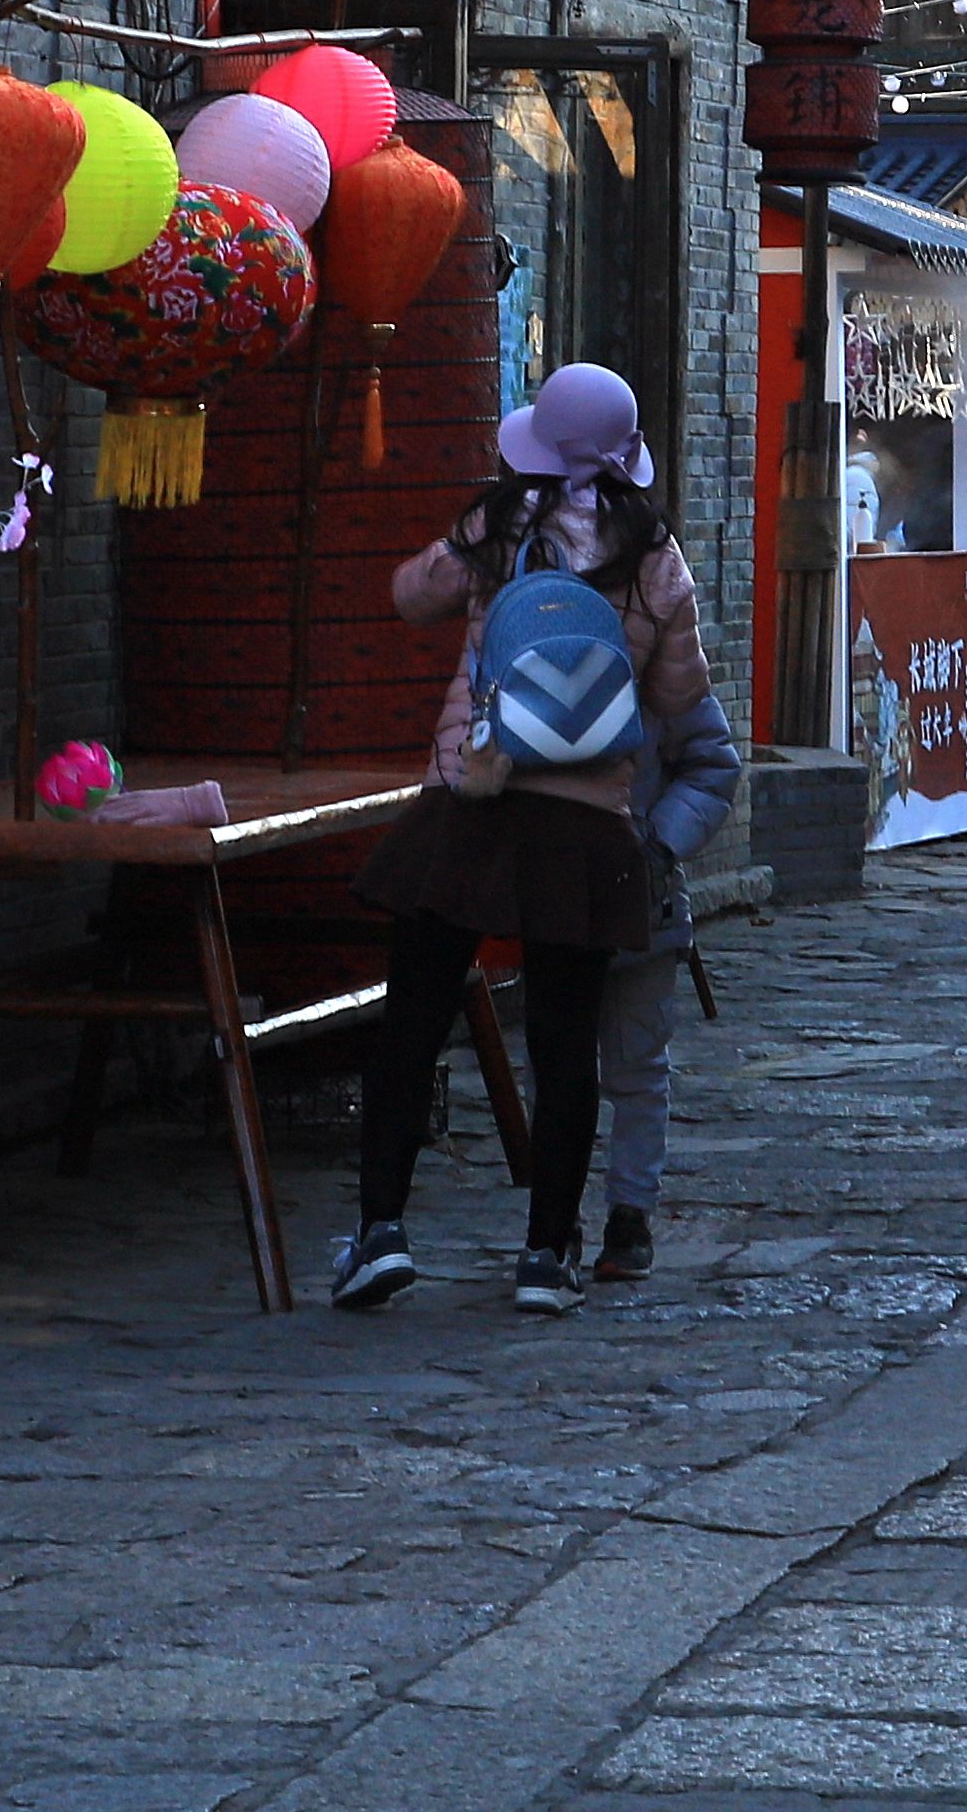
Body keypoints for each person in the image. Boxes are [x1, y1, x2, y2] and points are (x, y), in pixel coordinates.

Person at [338, 363, 713, 1315]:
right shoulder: (657, 557)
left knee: (413, 1020)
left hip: (469, 801)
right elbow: (675, 701)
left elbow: (411, 597)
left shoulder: (496, 528)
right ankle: (548, 1255)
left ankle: (380, 1231)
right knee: (563, 1040)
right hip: (583, 828)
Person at [592, 646, 748, 1282]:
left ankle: (630, 1212)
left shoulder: (662, 661)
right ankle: (551, 1220)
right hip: (554, 897)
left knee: (636, 1061)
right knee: (555, 1067)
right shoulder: (529, 640)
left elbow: (712, 764)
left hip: (643, 899)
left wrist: (656, 844)